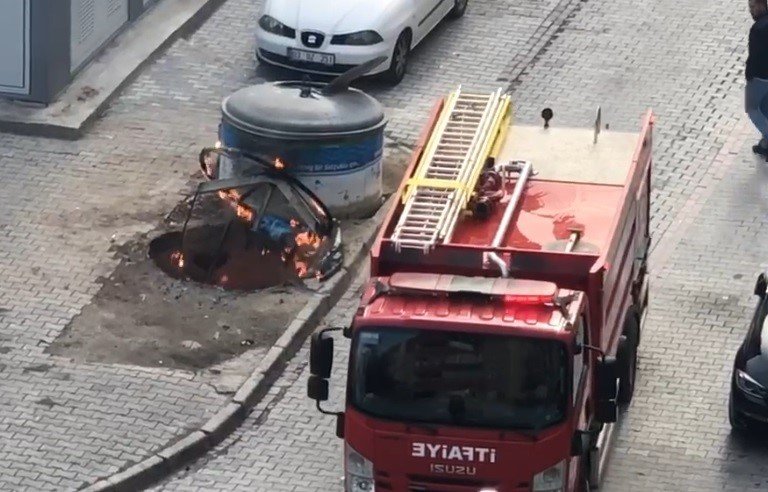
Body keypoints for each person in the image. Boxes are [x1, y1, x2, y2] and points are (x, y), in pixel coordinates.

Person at [746, 0, 768, 158]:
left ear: (762, 5)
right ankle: (765, 143)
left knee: (753, 109)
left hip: (761, 78)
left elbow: (755, 57)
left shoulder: (759, 29)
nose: (751, 11)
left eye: (753, 7)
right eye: (750, 7)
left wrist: (750, 75)